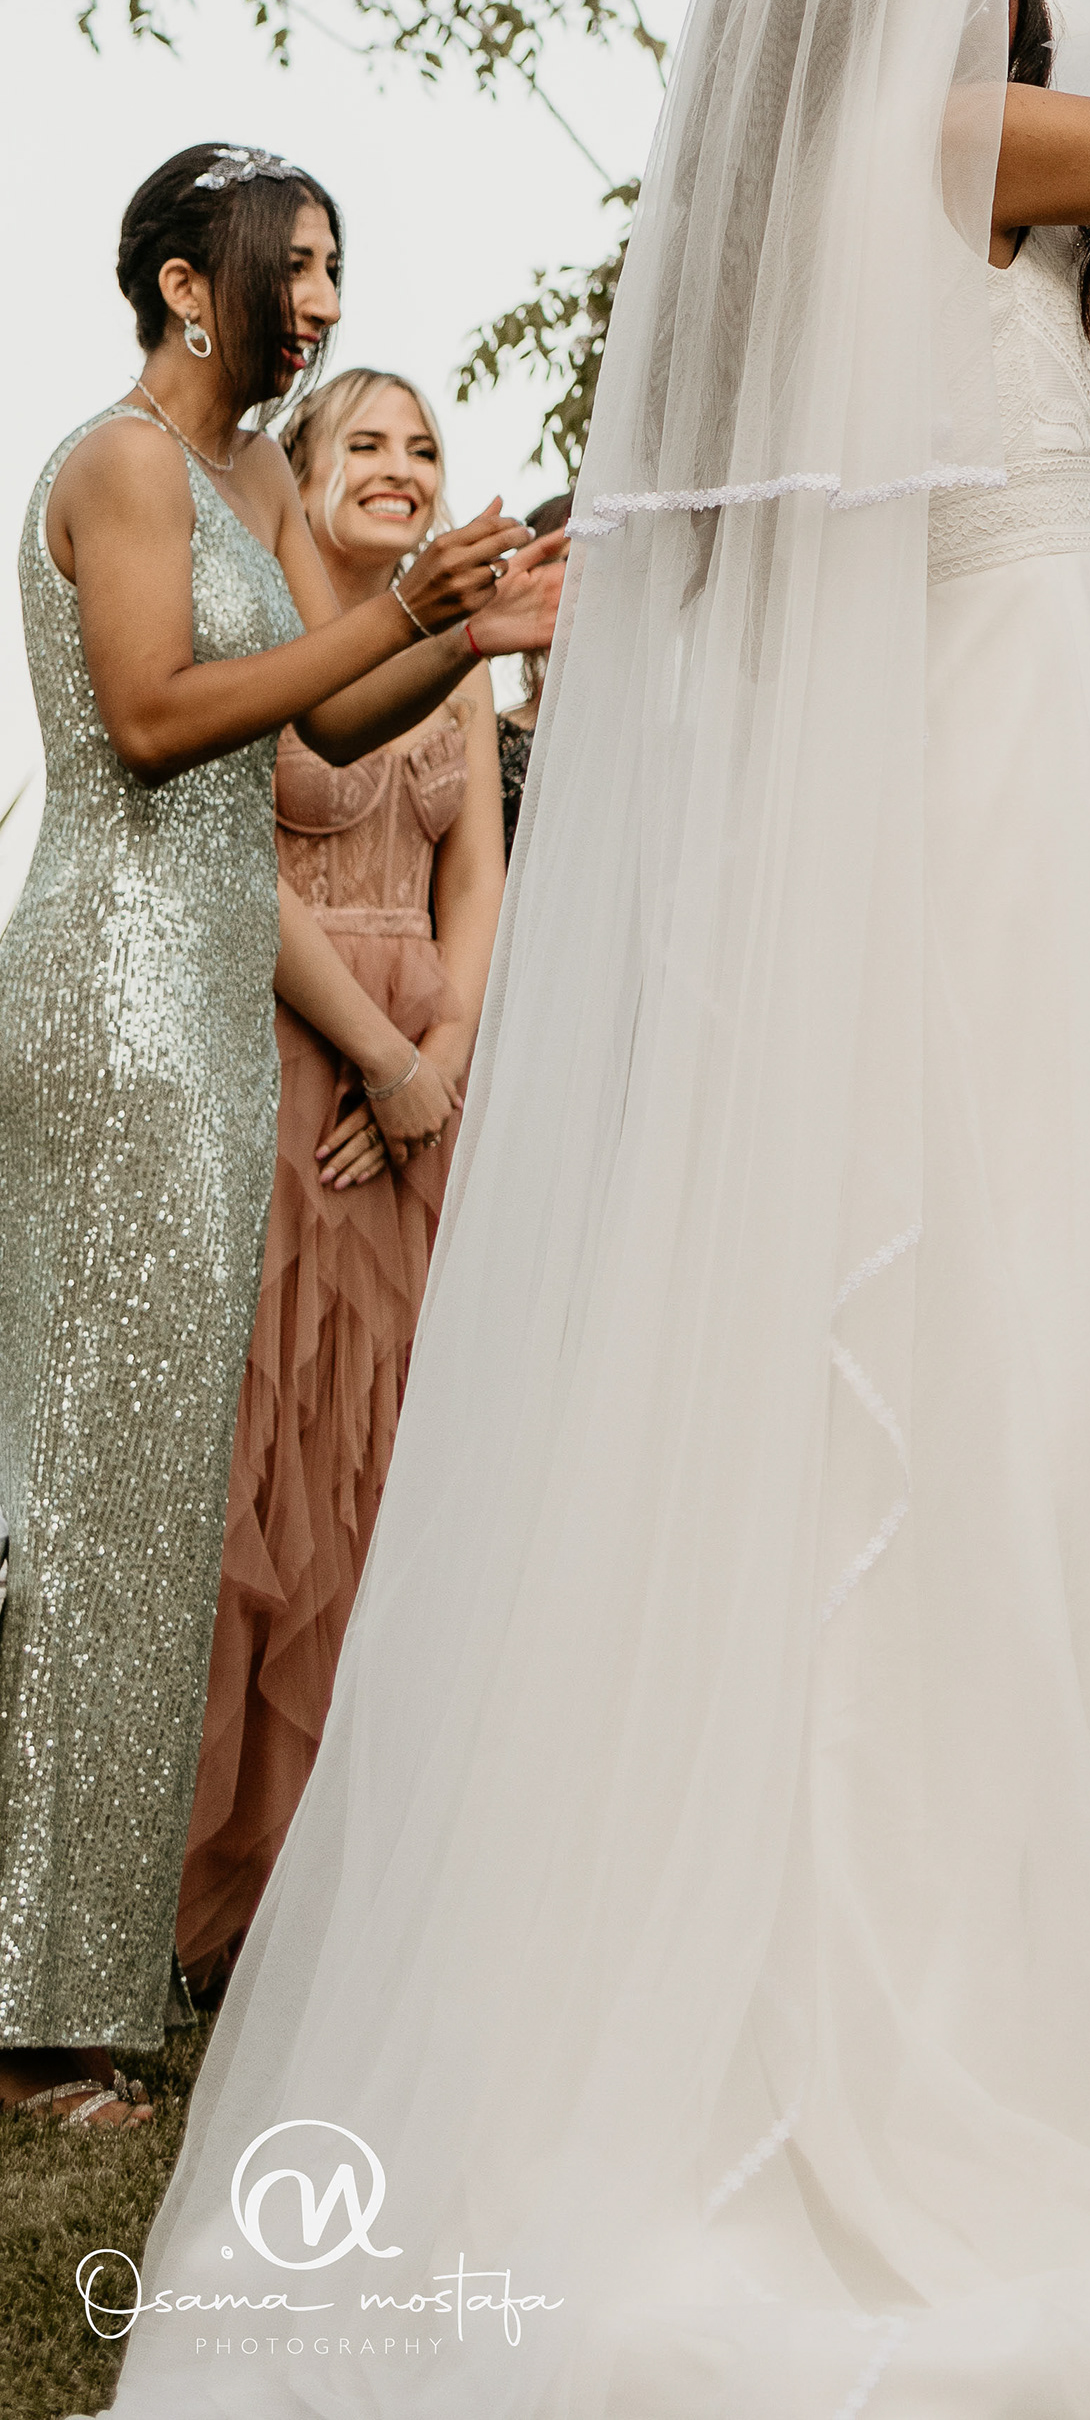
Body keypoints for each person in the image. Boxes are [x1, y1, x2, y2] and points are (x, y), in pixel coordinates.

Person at [123, 0, 1090, 2411]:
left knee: (818, 1404)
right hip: (989, 851)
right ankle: (946, 2043)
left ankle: (697, 1990)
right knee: (1012, 1378)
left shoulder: (745, 239)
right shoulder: (967, 144)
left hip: (858, 860)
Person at [0, 147, 555, 2131]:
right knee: (109, 1497)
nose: (317, 296)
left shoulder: (231, 488)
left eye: (333, 265)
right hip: (125, 993)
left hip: (201, 1020)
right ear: (182, 280)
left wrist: (468, 632)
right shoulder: (128, 466)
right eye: (288, 267)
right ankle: (45, 2022)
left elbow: (313, 742)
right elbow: (157, 719)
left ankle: (83, 1990)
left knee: (160, 1487)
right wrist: (409, 598)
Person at [176, 367, 512, 1976]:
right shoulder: (268, 640)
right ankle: (209, 1893)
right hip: (292, 1055)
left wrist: (439, 1065)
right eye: (363, 441)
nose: (399, 466)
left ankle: (342, 1892)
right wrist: (372, 1057)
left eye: (424, 445)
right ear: (302, 472)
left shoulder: (460, 666)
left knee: (385, 1461)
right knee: (260, 1453)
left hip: (426, 1098)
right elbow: (235, 862)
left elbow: (481, 877)